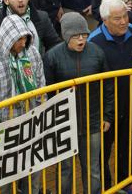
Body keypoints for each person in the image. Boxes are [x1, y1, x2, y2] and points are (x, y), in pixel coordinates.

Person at [43, 11, 114, 194]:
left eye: (84, 34)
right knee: (65, 170)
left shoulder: (97, 53)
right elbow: (48, 95)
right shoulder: (52, 57)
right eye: (76, 36)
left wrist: (107, 115)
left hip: (93, 122)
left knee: (93, 168)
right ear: (66, 36)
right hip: (64, 125)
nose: (81, 39)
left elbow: (108, 88)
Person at [89, 0, 132, 194]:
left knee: (127, 145)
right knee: (103, 150)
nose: (124, 21)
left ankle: (127, 182)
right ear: (105, 20)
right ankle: (106, 186)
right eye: (117, 18)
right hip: (105, 109)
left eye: (125, 15)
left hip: (131, 102)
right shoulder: (94, 42)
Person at [0, 14, 45, 193]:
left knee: (33, 176)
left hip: (31, 127)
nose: (23, 43)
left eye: (25, 38)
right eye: (18, 39)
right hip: (4, 134)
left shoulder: (33, 54)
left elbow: (40, 84)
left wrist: (39, 115)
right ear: (7, 38)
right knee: (3, 183)